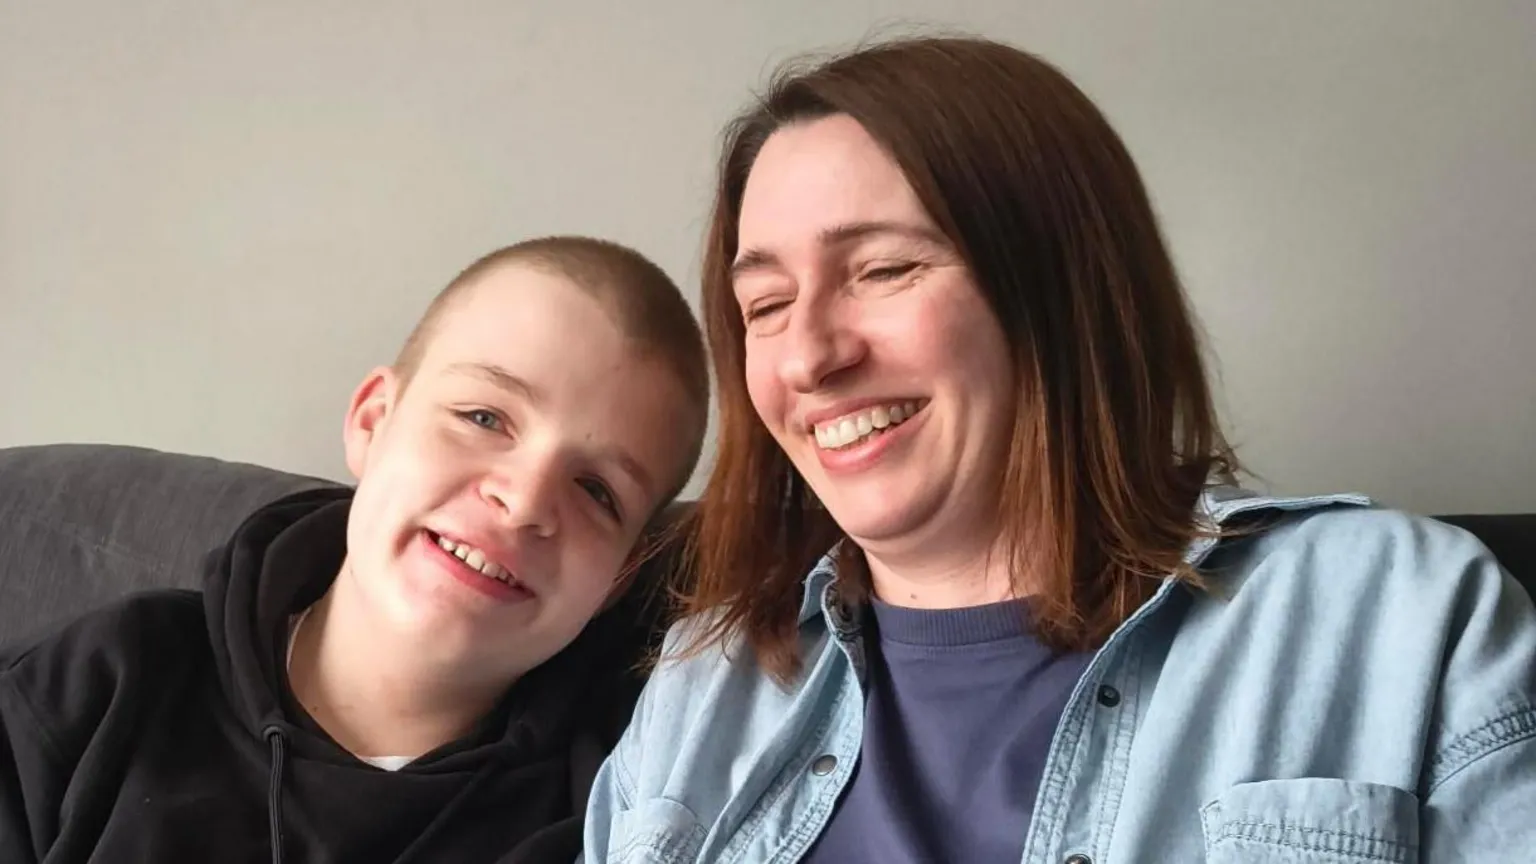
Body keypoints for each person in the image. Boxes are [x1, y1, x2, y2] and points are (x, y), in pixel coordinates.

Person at [583, 36, 1536, 862]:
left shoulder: (1403, 614)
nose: (811, 356)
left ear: (1065, 292)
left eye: (882, 269)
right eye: (766, 306)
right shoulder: (702, 686)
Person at [0, 235, 709, 863]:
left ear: (620, 575)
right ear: (373, 422)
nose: (524, 502)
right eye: (484, 417)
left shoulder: (618, 808)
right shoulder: (98, 688)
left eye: (596, 491)